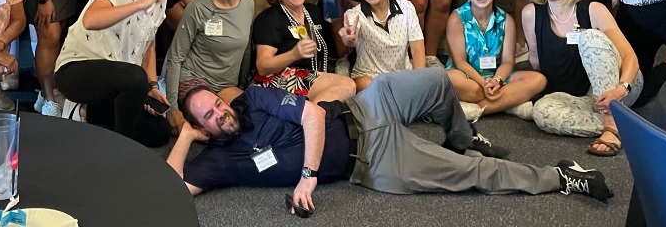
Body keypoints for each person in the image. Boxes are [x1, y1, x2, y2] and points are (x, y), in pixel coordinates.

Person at [167, 68, 613, 208]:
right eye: (208, 115)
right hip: (373, 161)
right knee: (474, 175)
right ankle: (562, 175)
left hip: (366, 108)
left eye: (217, 104)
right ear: (200, 127)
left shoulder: (253, 99)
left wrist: (306, 176)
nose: (220, 112)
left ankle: (462, 135)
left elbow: (314, 119)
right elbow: (166, 191)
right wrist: (184, 141)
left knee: (438, 81)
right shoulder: (217, 161)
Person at [54, 0, 176, 147]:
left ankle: (85, 111)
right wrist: (141, 3)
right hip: (76, 70)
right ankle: (122, 149)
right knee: (134, 78)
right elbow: (90, 20)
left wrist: (152, 87)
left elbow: (149, 46)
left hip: (119, 79)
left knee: (159, 131)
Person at [524, 0, 643, 157]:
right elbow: (535, 61)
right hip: (579, 98)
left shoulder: (594, 9)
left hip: (620, 86)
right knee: (541, 112)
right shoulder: (531, 14)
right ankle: (628, 125)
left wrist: (622, 89)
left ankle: (612, 124)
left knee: (589, 38)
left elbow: (630, 57)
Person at [164, 0, 254, 133]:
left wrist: (243, 84)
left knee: (245, 119)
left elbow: (245, 49)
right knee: (219, 125)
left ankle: (196, 132)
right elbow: (175, 57)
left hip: (225, 83)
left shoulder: (248, 3)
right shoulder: (197, 8)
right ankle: (192, 134)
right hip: (193, 78)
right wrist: (172, 108)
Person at [445, 0, 545, 122]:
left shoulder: (507, 20)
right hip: (467, 76)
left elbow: (507, 62)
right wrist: (483, 84)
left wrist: (497, 81)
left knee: (539, 80)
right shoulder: (456, 18)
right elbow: (460, 62)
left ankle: (479, 109)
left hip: (498, 76)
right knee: (449, 79)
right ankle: (509, 102)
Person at [250, 0, 356, 102]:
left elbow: (329, 52)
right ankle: (309, 117)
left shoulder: (313, 12)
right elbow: (263, 67)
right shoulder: (268, 19)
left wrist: (346, 40)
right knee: (346, 85)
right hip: (276, 80)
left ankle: (311, 117)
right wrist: (294, 54)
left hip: (311, 77)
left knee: (344, 89)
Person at [338, 0, 425, 91]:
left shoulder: (406, 7)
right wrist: (348, 38)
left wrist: (418, 80)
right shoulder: (354, 14)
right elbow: (350, 38)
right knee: (369, 85)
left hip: (402, 77)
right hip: (369, 80)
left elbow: (417, 49)